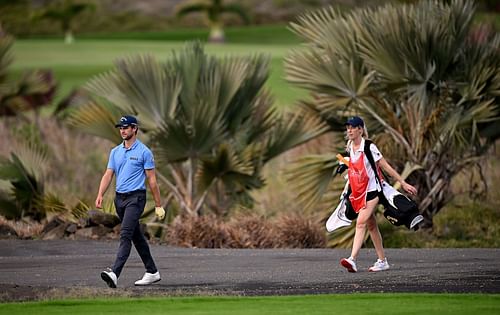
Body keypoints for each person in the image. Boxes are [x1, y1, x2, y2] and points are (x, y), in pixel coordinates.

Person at [339, 116, 417, 273]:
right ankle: (382, 261)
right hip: (359, 193)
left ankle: (352, 259)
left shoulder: (369, 146)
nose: (350, 130)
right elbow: (354, 169)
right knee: (371, 226)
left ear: (360, 129)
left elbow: (385, 166)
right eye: (348, 127)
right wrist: (344, 168)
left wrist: (403, 183)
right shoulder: (350, 147)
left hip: (373, 191)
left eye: (353, 127)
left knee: (360, 222)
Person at [95, 115, 166, 288]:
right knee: (137, 237)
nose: (122, 130)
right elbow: (108, 174)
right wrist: (100, 194)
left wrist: (158, 205)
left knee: (125, 234)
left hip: (136, 198)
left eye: (126, 127)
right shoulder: (115, 151)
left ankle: (114, 273)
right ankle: (152, 272)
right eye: (121, 128)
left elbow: (152, 181)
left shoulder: (144, 152)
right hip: (120, 199)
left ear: (134, 129)